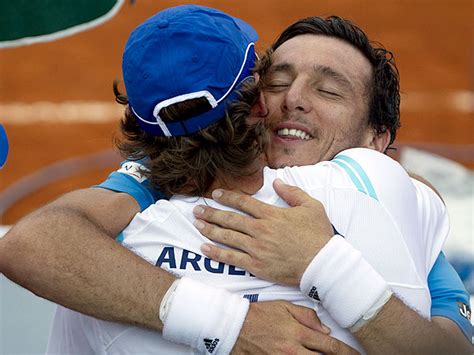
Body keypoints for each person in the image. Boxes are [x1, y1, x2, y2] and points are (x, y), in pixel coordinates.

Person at [0, 5, 471, 354]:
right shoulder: (395, 193)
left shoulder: (134, 228)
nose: (294, 99)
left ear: (377, 139)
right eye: (278, 81)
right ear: (250, 106)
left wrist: (319, 261)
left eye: (329, 90)